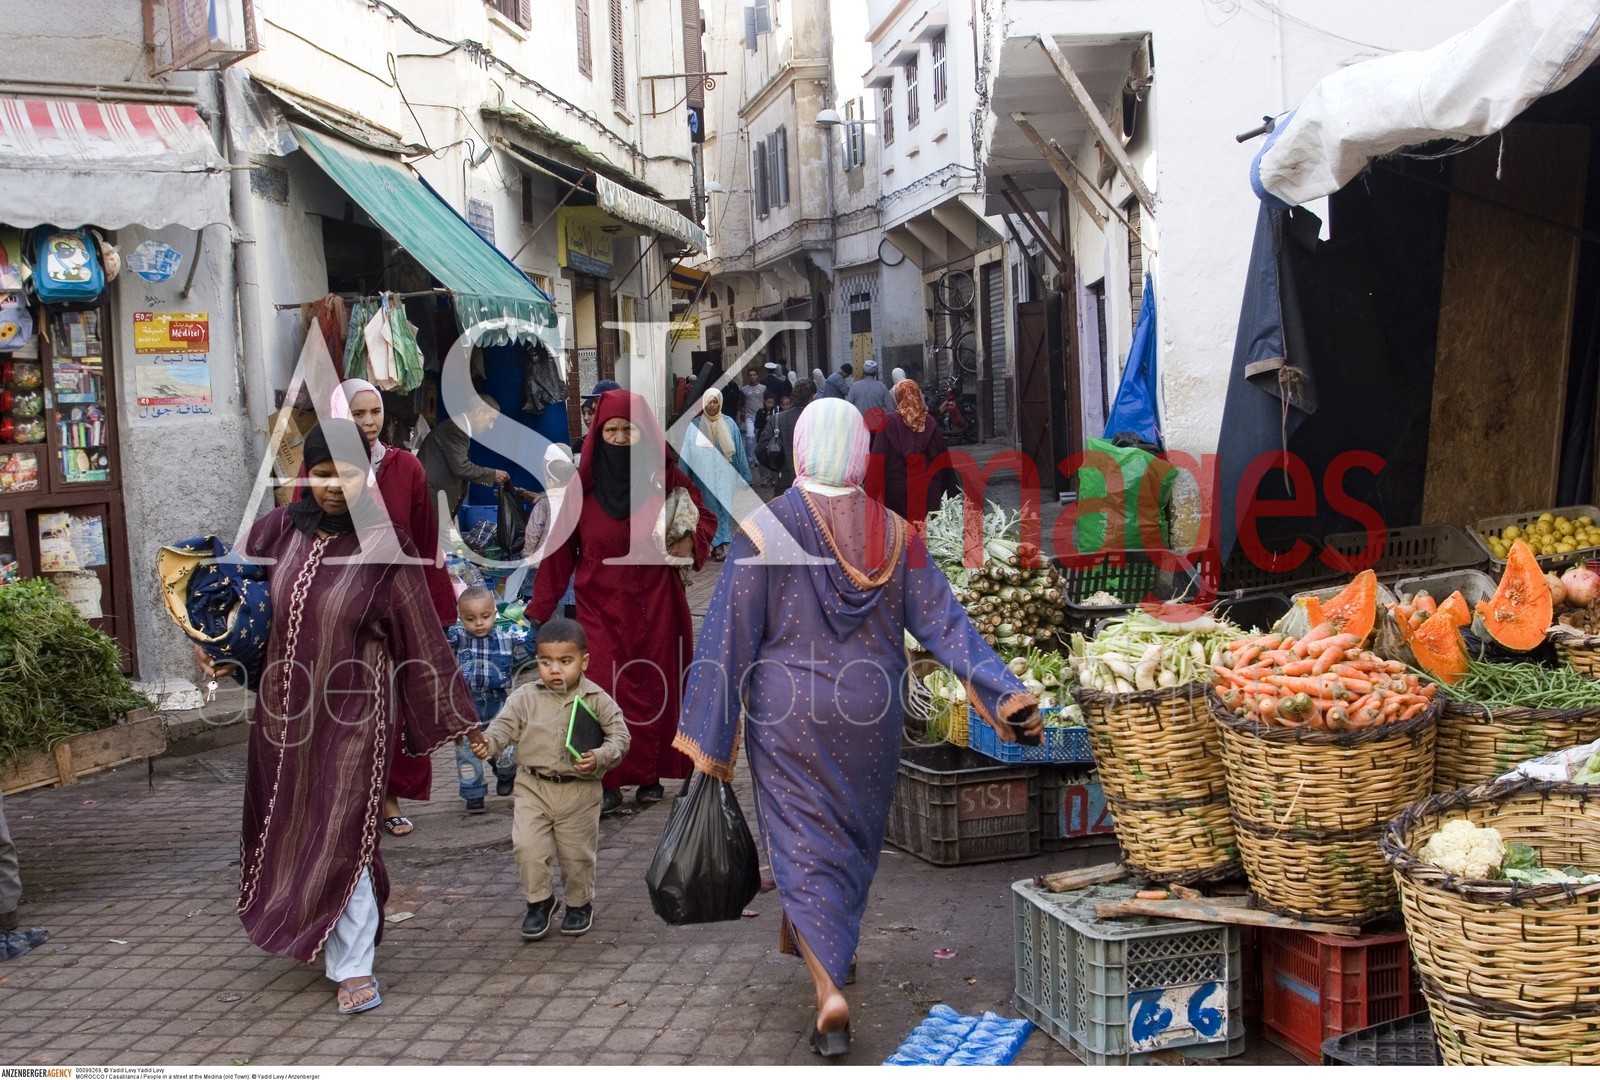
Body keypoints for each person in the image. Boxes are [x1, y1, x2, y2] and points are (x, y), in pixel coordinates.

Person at [673, 399, 1041, 1057]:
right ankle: (831, 950)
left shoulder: (766, 527)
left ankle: (829, 995)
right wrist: (1004, 691)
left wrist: (709, 738)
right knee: (847, 842)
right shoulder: (895, 531)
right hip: (873, 713)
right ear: (861, 457)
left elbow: (729, 637)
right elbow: (945, 623)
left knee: (801, 841)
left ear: (799, 448)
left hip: (789, 716)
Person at [199, 419, 485, 1016]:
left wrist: (459, 717)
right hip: (283, 715)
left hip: (356, 716)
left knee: (342, 825)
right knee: (292, 825)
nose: (333, 485)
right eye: (322, 473)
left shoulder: (387, 546)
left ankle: (353, 965)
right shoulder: (274, 532)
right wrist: (214, 646)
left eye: (347, 473)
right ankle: (313, 921)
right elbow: (237, 607)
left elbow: (420, 635)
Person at [528, 389, 716, 814]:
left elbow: (706, 515)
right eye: (610, 430)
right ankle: (607, 779)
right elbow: (559, 553)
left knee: (657, 687)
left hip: (659, 606)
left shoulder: (664, 477)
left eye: (627, 430)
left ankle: (650, 775)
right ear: (598, 433)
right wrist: (539, 609)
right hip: (600, 607)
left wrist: (691, 540)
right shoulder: (582, 489)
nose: (618, 437)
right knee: (603, 690)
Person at [330, 379, 456, 837]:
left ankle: (389, 798)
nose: (368, 422)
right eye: (357, 413)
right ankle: (345, 799)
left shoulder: (405, 467)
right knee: (346, 704)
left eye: (374, 412)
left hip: (395, 604)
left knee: (393, 705)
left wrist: (437, 607)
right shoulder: (323, 465)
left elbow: (424, 539)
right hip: (341, 606)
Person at [475, 617, 631, 939]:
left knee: (576, 855)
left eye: (565, 661)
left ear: (583, 661)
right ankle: (539, 901)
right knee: (527, 846)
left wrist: (600, 756)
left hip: (579, 791)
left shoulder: (596, 698)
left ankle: (579, 904)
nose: (554, 670)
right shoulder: (524, 697)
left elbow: (620, 738)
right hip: (533, 787)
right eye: (545, 662)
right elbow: (503, 728)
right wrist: (487, 743)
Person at [447, 585, 533, 813]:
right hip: (466, 705)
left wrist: (536, 626)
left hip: (498, 703)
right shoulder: (457, 638)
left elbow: (527, 653)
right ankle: (473, 794)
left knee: (504, 746)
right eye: (470, 619)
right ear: (461, 618)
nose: (479, 623)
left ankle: (505, 772)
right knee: (467, 752)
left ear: (494, 614)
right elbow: (437, 640)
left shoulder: (507, 639)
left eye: (485, 617)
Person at [869, 379, 962, 528]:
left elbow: (877, 462)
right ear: (918, 395)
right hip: (928, 489)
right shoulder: (929, 422)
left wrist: (870, 495)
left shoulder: (888, 422)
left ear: (897, 397)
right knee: (928, 532)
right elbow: (943, 460)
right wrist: (952, 492)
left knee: (903, 533)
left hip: (897, 491)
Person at [681, 388, 752, 561]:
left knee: (724, 510)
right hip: (702, 477)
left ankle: (719, 544)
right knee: (708, 510)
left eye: (715, 402)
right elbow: (686, 453)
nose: (712, 405)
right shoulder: (695, 425)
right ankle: (716, 545)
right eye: (709, 402)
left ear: (720, 403)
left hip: (725, 476)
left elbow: (739, 451)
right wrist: (682, 477)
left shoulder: (729, 423)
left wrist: (744, 476)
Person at [418, 393, 509, 518]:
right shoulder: (456, 429)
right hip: (430, 500)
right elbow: (461, 467)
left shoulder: (457, 427)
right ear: (478, 412)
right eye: (491, 419)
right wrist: (493, 474)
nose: (490, 426)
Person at [776, 379, 815, 490]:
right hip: (813, 481)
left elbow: (761, 451)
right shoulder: (819, 418)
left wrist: (778, 467)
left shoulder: (778, 418)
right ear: (813, 397)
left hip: (785, 477)